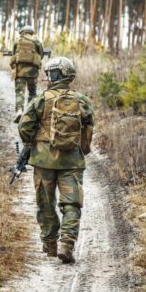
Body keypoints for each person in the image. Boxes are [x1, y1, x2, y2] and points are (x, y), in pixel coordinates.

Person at [17, 57, 95, 264]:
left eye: (51, 73)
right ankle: (67, 244)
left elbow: (24, 128)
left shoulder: (41, 99)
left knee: (46, 204)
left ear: (54, 76)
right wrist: (81, 150)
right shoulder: (82, 100)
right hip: (72, 161)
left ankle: (50, 244)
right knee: (72, 204)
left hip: (43, 161)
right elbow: (88, 129)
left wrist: (34, 145)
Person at [10, 25, 44, 123]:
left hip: (20, 72)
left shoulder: (17, 41)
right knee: (32, 93)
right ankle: (29, 113)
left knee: (19, 92)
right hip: (32, 73)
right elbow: (41, 55)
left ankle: (19, 111)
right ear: (31, 32)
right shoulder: (36, 42)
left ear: (22, 32)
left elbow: (13, 55)